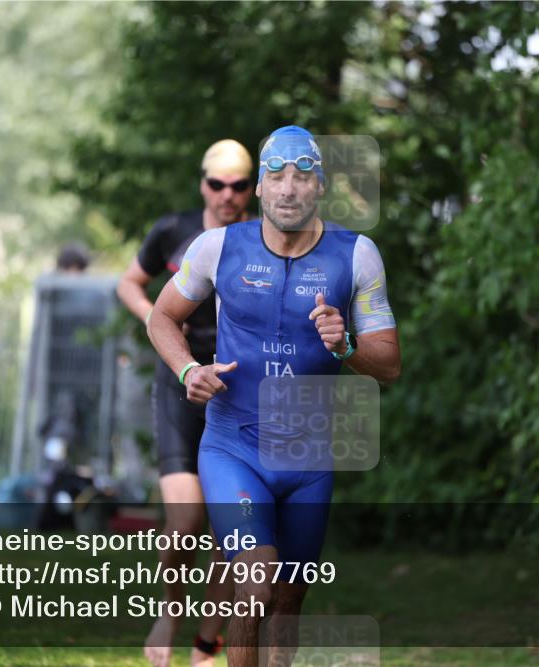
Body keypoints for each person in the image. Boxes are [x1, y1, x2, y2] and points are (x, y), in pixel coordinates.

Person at [147, 125, 400, 667]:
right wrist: (188, 368)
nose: (288, 189)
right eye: (276, 176)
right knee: (256, 583)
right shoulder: (218, 248)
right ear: (260, 187)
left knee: (287, 605)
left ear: (320, 186)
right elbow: (161, 316)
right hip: (233, 447)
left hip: (309, 460)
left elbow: (389, 365)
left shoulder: (357, 255)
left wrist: (347, 346)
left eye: (302, 177)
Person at [117, 139, 253, 667]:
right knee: (186, 521)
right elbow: (130, 284)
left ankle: (206, 641)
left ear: (252, 190)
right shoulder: (173, 230)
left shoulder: (264, 241)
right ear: (203, 185)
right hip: (180, 382)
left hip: (237, 391)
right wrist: (158, 318)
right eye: (217, 184)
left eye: (238, 186)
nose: (227, 195)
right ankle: (170, 611)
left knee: (230, 529)